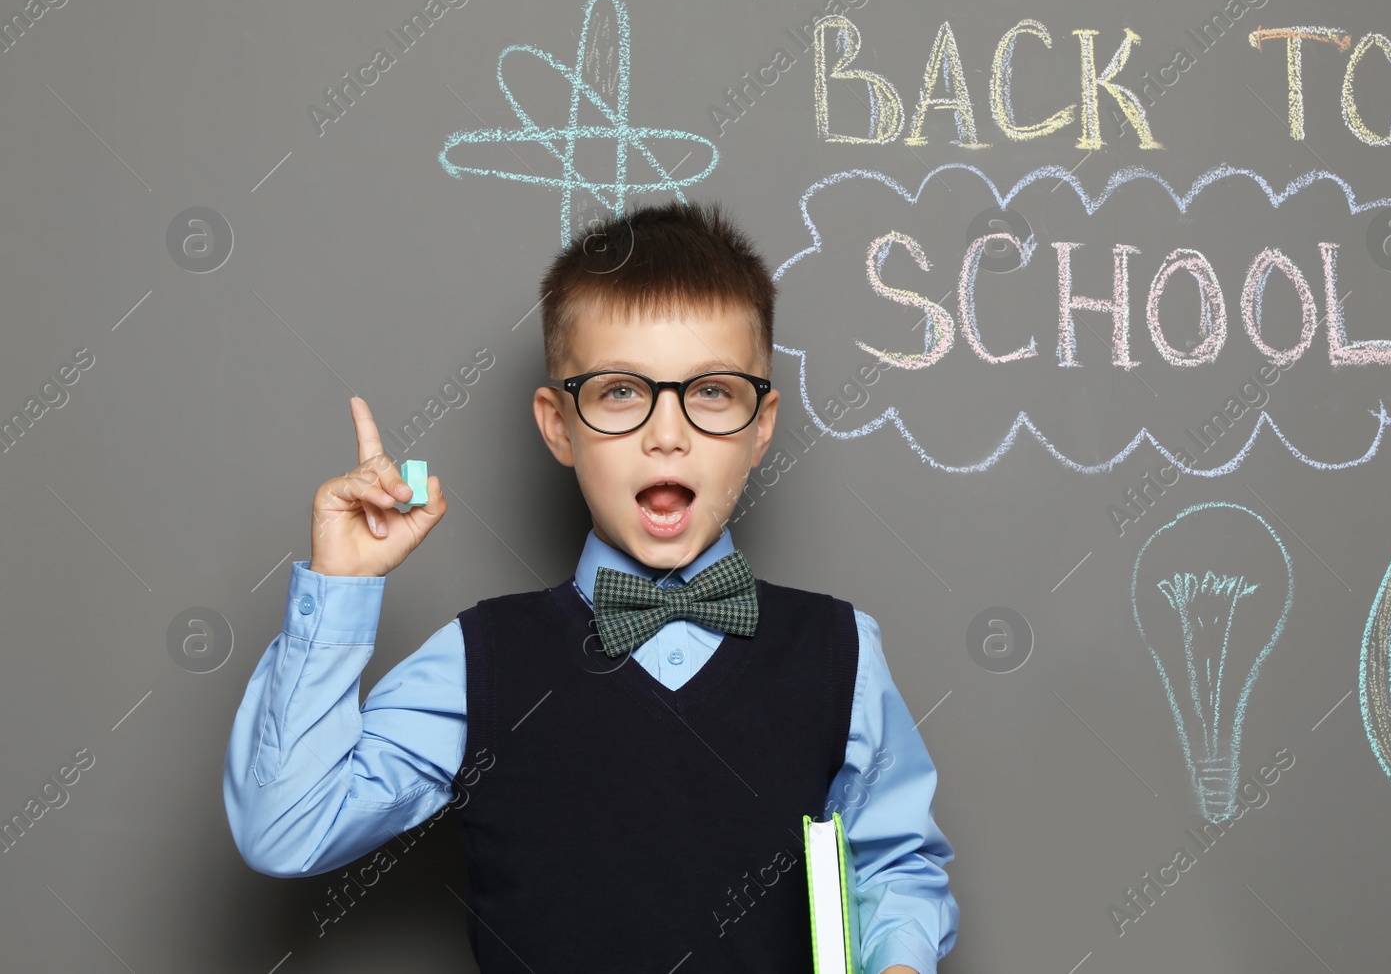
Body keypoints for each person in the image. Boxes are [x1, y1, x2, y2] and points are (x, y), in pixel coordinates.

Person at [223, 199, 958, 973]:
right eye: (620, 392)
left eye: (710, 391)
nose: (666, 432)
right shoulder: (483, 662)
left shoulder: (840, 650)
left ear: (761, 425)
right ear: (557, 425)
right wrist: (338, 590)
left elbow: (893, 865)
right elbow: (285, 828)